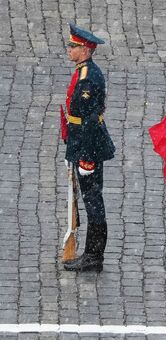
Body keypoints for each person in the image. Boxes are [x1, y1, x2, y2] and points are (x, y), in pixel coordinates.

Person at [60, 22, 116, 273]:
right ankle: (92, 254)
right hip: (81, 143)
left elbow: (90, 120)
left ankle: (94, 256)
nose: (69, 49)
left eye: (73, 46)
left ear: (84, 50)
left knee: (93, 201)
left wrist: (86, 157)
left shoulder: (89, 78)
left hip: (88, 146)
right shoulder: (83, 72)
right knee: (90, 199)